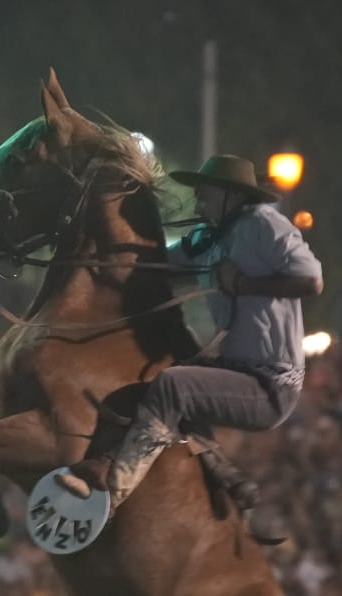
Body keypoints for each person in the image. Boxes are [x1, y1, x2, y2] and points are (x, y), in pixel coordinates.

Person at [55, 154, 324, 511]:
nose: (198, 201)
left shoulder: (264, 223)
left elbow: (312, 281)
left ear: (231, 195)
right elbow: (154, 264)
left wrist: (244, 283)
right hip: (232, 368)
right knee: (155, 373)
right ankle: (220, 471)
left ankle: (114, 492)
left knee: (174, 385)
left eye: (205, 194)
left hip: (270, 386)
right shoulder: (205, 238)